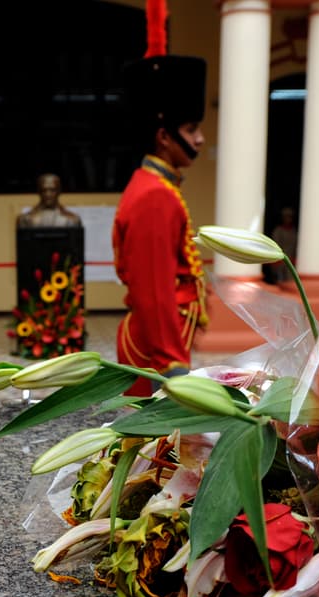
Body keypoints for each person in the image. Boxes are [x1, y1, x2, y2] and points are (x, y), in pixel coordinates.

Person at [112, 9, 208, 398]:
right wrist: (174, 368)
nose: (200, 139)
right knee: (156, 435)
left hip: (161, 341)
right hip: (156, 351)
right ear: (164, 136)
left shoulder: (158, 186)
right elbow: (154, 291)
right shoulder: (154, 196)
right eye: (191, 128)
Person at [17, 174, 82, 229]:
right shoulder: (26, 219)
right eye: (44, 190)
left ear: (59, 191)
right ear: (39, 191)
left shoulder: (72, 219)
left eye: (52, 190)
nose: (48, 194)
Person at [268, 206, 298, 283]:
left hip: (291, 260)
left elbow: (295, 246)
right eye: (286, 216)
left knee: (291, 280)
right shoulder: (278, 231)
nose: (288, 219)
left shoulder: (294, 231)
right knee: (279, 280)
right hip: (280, 260)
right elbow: (275, 246)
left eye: (290, 216)